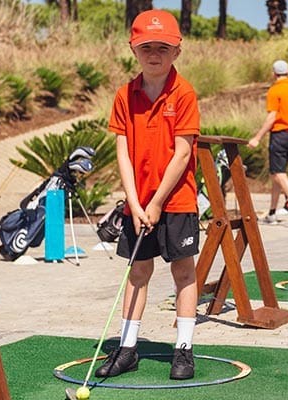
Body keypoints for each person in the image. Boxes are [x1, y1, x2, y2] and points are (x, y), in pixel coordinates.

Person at [95, 9, 199, 381]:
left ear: (176, 52)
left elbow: (183, 152)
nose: (154, 54)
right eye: (146, 47)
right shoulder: (125, 94)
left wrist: (156, 203)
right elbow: (122, 151)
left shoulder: (184, 93)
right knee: (138, 270)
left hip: (177, 201)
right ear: (133, 50)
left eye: (162, 47)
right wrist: (136, 203)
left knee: (183, 271)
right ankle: (127, 348)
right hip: (137, 204)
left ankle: (183, 348)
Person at [248, 60, 288, 227]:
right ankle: (272, 213)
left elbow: (272, 116)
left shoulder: (275, 90)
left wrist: (257, 137)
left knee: (279, 174)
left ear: (274, 74)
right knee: (276, 174)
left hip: (279, 134)